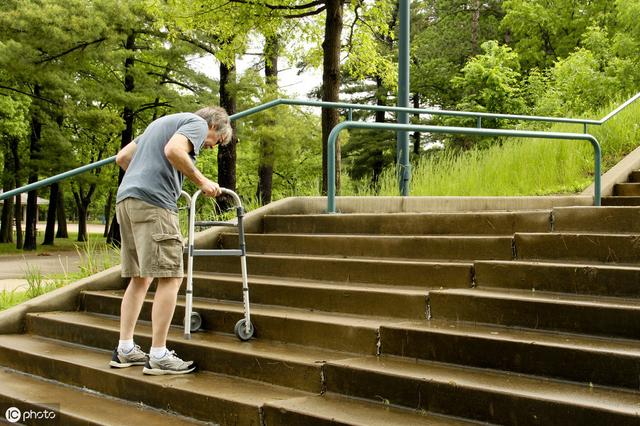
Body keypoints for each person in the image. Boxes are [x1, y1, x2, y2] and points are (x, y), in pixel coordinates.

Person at [109, 106, 232, 375]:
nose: (211, 148)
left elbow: (122, 157)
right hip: (154, 205)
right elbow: (174, 151)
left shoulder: (160, 124)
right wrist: (201, 181)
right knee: (171, 277)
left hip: (127, 200)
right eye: (217, 142)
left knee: (140, 278)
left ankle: (125, 348)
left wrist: (147, 178)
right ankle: (159, 354)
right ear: (215, 126)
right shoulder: (198, 125)